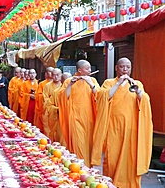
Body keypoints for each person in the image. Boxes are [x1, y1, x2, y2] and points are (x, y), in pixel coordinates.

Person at [91, 57, 153, 188]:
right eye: (122, 67)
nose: (125, 69)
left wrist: (138, 91)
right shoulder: (109, 83)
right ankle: (111, 184)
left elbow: (144, 101)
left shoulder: (137, 83)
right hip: (113, 127)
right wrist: (118, 83)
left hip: (132, 128)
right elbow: (103, 97)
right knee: (112, 159)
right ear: (116, 68)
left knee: (130, 159)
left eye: (128, 67)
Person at [57, 60, 100, 167]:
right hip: (75, 118)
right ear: (79, 70)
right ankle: (79, 168)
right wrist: (71, 85)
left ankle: (88, 169)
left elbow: (99, 96)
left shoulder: (93, 80)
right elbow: (63, 97)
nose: (90, 70)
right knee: (78, 144)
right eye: (87, 69)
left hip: (90, 118)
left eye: (90, 68)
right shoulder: (69, 81)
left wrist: (91, 84)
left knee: (89, 145)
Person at [44, 71, 71, 145]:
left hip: (74, 121)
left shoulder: (77, 91)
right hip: (61, 121)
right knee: (63, 141)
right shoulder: (56, 92)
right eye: (65, 81)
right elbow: (49, 106)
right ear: (62, 81)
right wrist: (57, 109)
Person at [42, 68, 62, 139]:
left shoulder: (64, 86)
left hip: (62, 113)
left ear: (61, 75)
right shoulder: (47, 86)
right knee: (50, 131)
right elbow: (45, 100)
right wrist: (55, 108)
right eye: (54, 75)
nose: (55, 77)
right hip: (51, 113)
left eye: (57, 75)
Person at [34, 66, 54, 131]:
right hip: (44, 107)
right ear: (46, 73)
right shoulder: (42, 84)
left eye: (52, 72)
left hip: (54, 108)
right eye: (49, 71)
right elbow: (38, 95)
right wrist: (48, 98)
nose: (51, 73)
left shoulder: (59, 84)